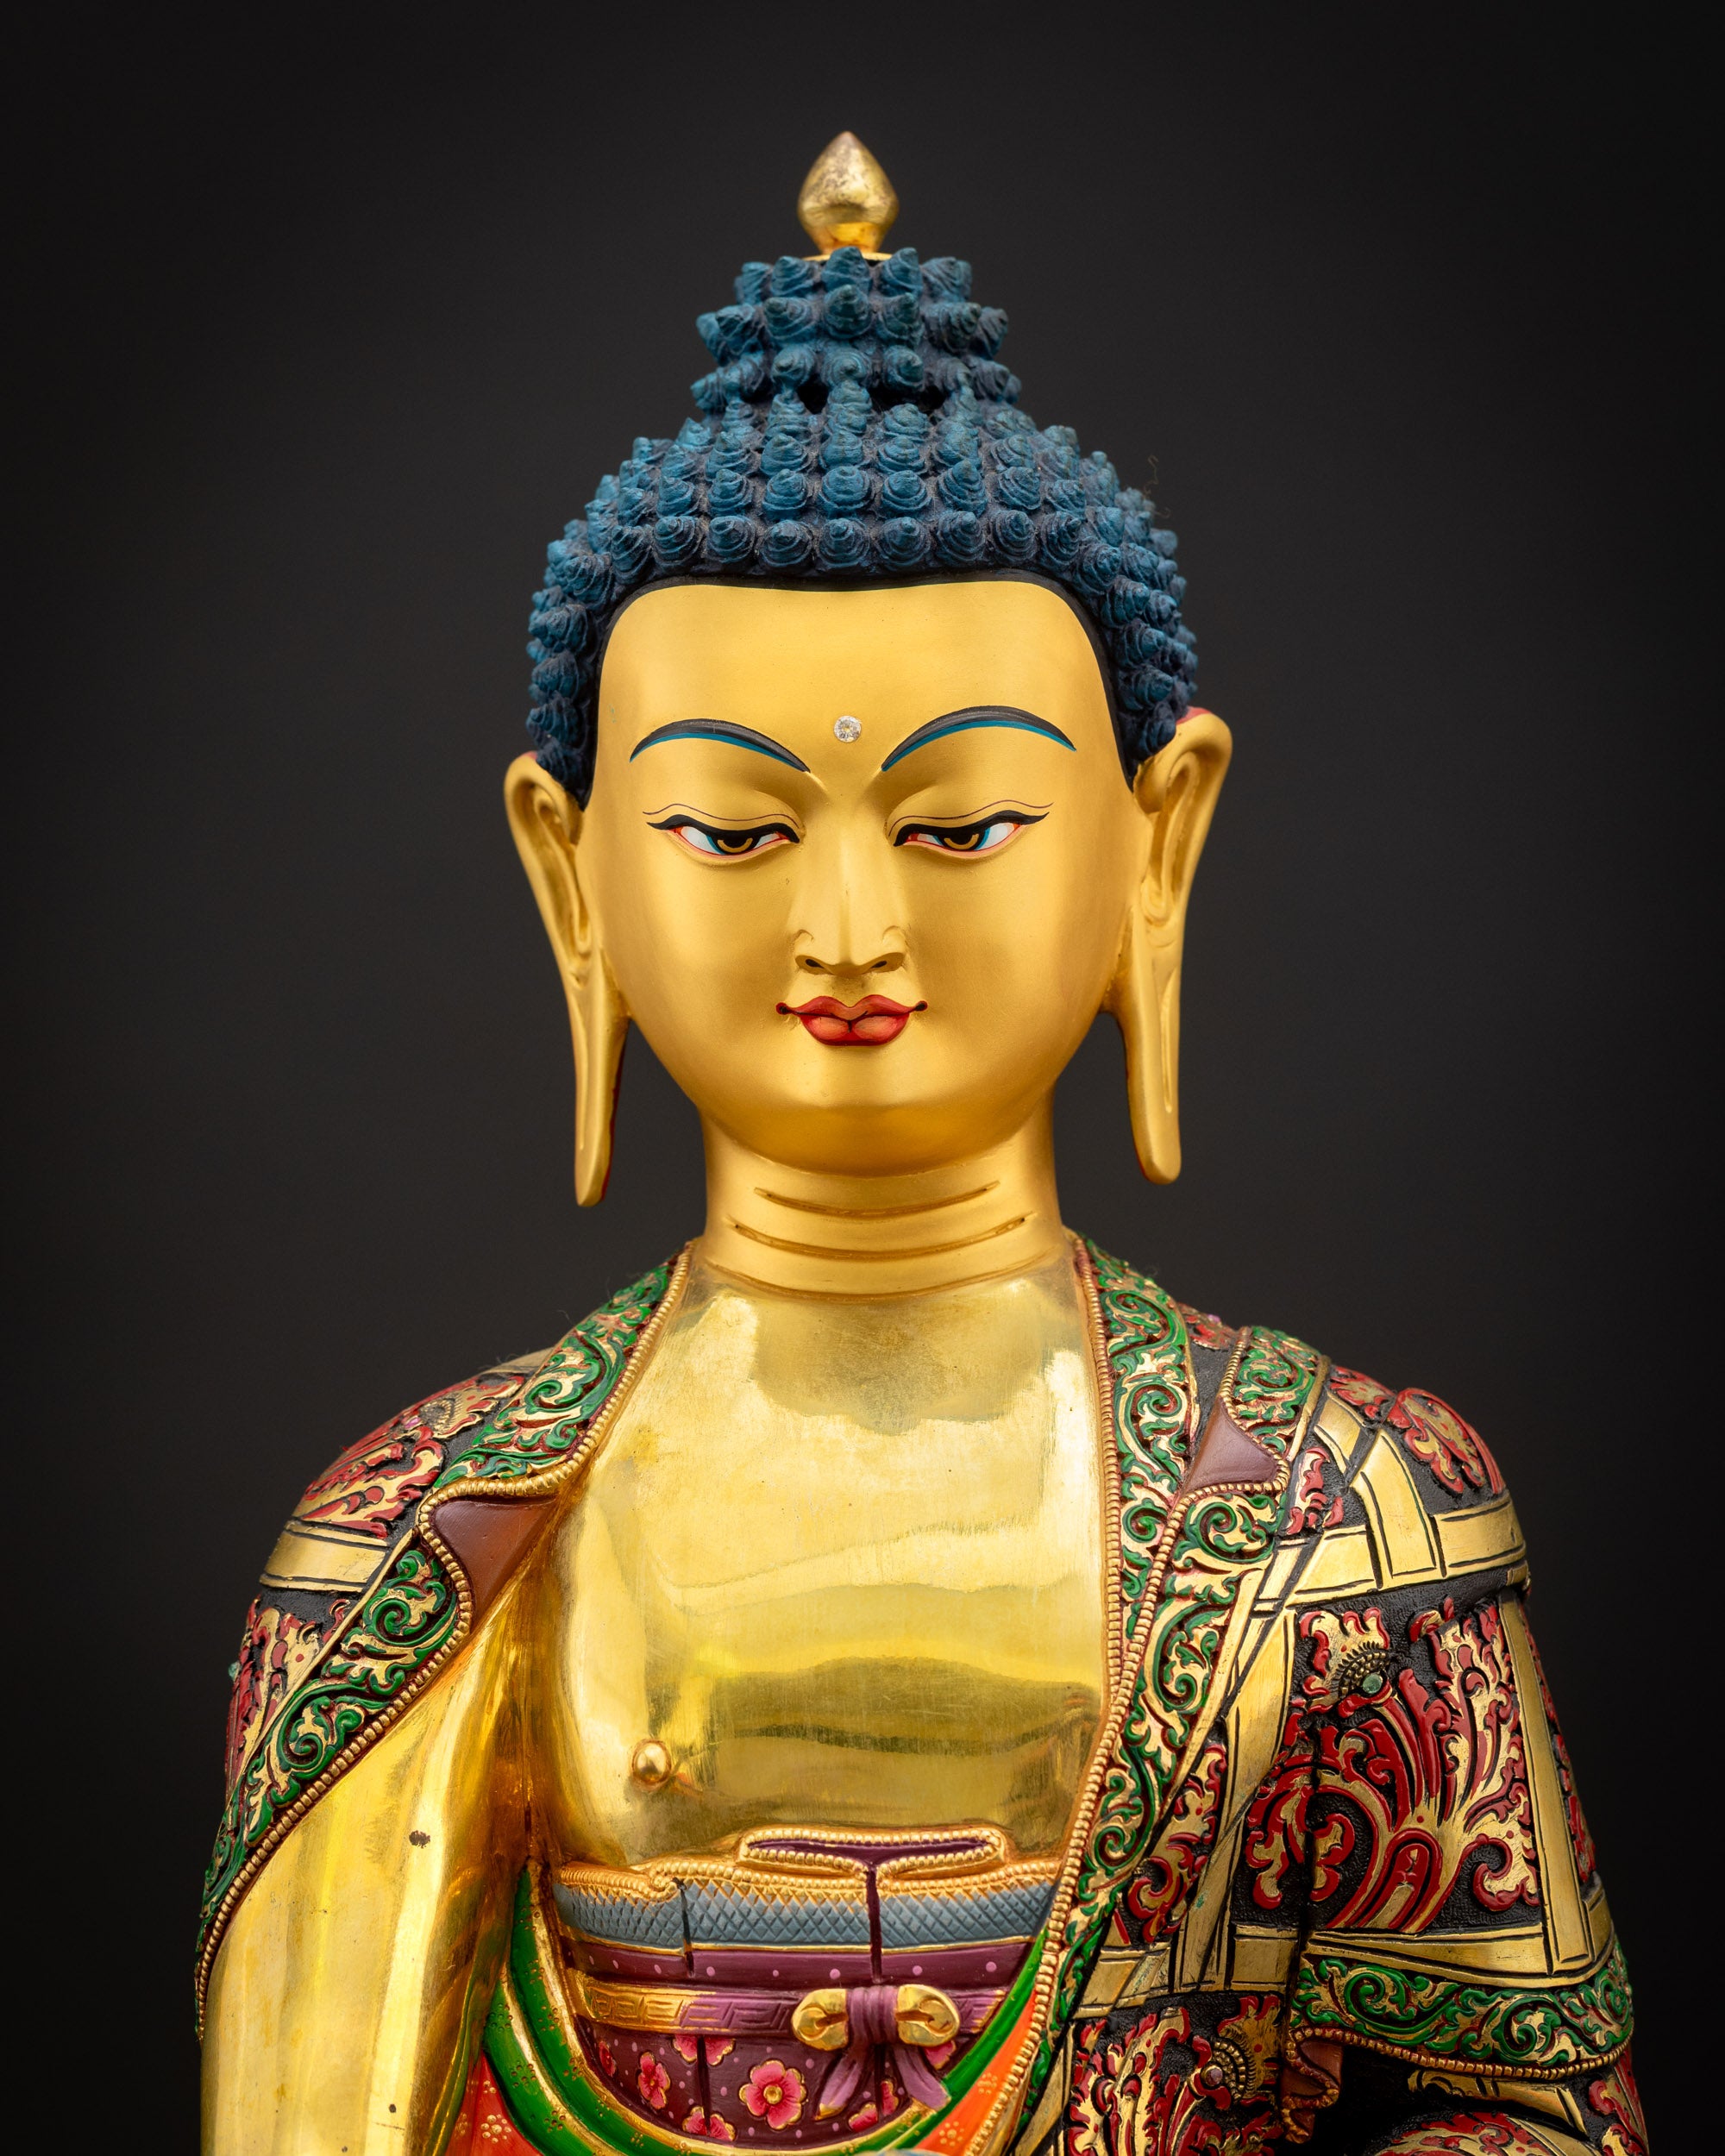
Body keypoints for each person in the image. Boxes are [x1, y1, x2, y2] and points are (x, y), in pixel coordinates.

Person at [199, 136, 1640, 2156]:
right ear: (572, 869)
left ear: (1155, 841)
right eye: (733, 829)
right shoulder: (403, 1553)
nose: (851, 927)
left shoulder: (1347, 1518)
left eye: (962, 823)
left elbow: (1527, 2117)